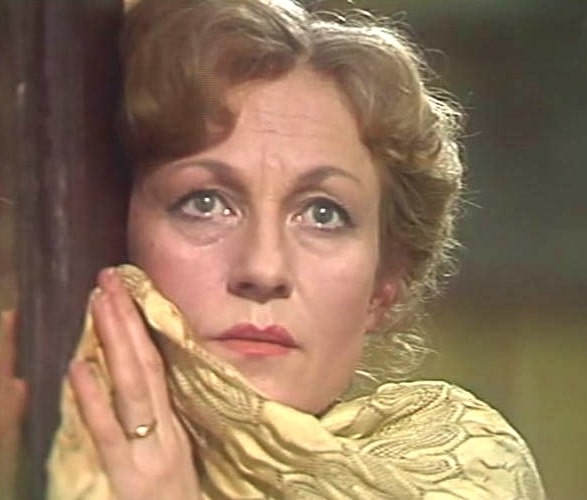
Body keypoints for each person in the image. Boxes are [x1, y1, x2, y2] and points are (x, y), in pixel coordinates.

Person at [2, 0, 546, 498]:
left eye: (323, 214)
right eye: (205, 203)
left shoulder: (466, 472)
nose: (263, 269)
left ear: (383, 288)